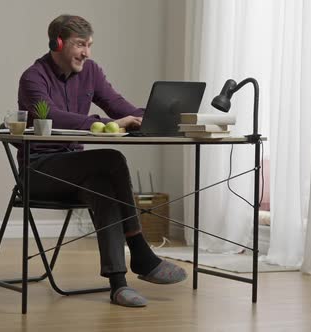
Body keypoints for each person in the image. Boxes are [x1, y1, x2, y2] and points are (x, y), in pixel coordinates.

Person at [17, 14, 186, 307]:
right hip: (40, 173)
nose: (87, 53)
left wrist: (151, 116)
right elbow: (51, 115)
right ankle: (140, 249)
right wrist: (111, 122)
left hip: (75, 171)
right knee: (111, 158)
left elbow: (117, 103)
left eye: (90, 45)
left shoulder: (91, 71)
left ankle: (118, 285)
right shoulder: (33, 77)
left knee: (102, 185)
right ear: (57, 43)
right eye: (80, 45)